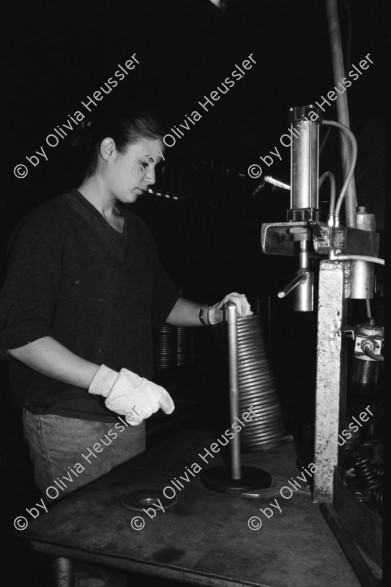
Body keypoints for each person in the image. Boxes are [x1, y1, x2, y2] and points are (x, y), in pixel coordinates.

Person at [0, 103, 252, 501]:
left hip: (131, 414)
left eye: (157, 165)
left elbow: (163, 304)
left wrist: (212, 313)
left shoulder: (138, 231)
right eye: (144, 162)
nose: (152, 177)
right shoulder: (48, 225)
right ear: (107, 150)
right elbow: (20, 335)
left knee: (121, 541)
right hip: (66, 421)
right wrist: (109, 382)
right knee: (80, 546)